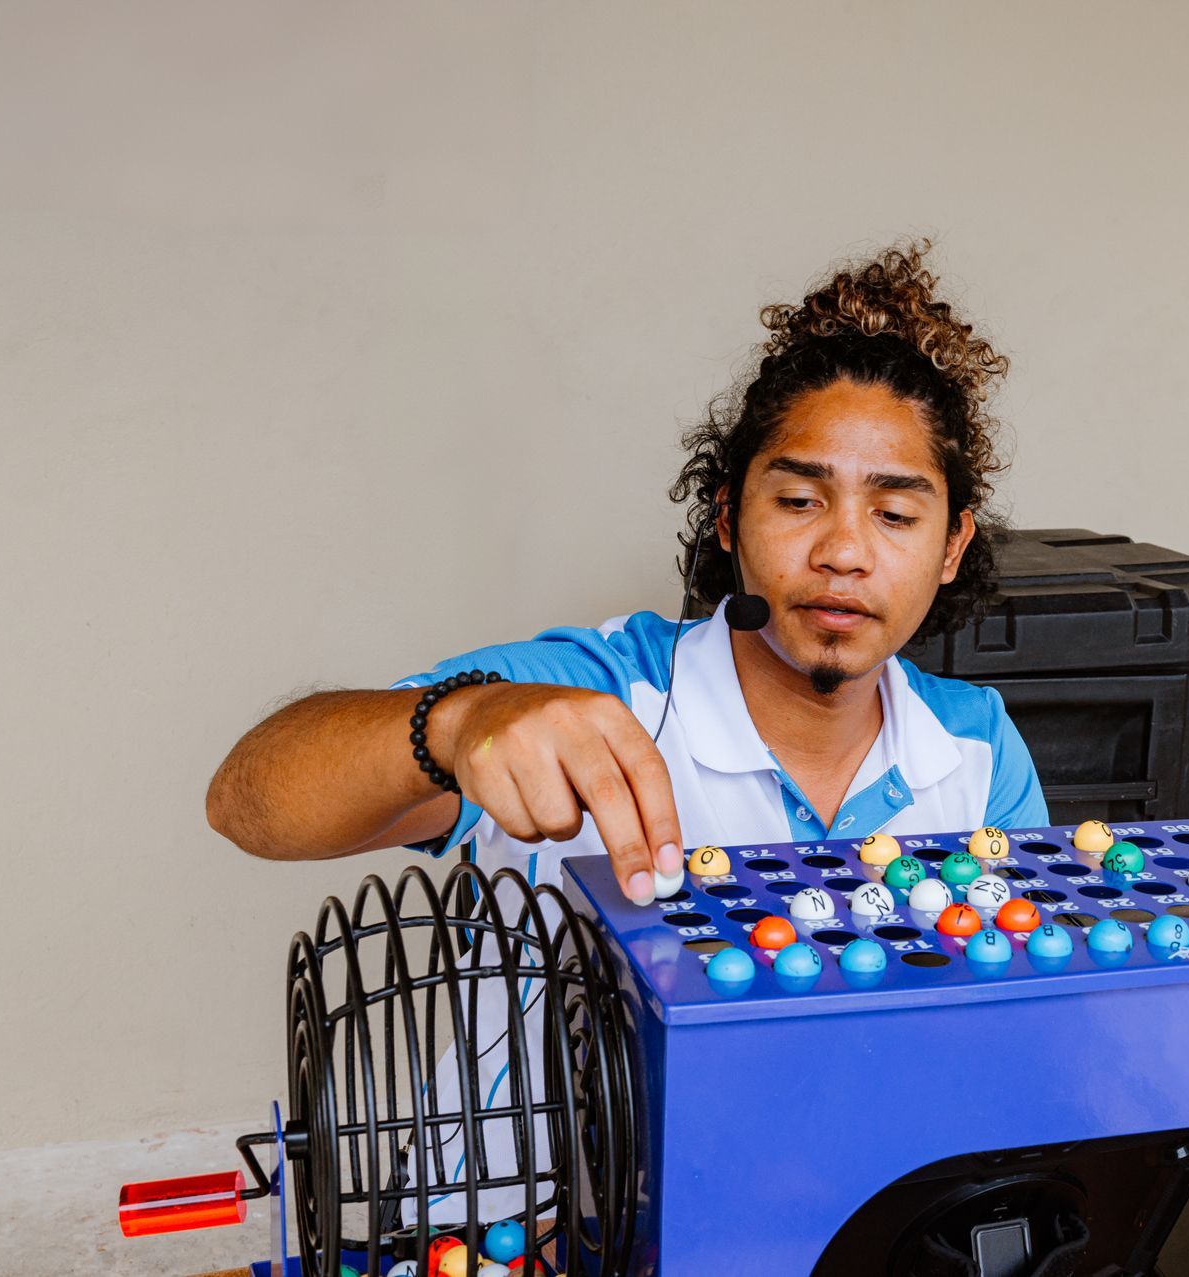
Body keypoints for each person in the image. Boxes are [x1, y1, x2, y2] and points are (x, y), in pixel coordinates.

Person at [204, 241, 1048, 1226]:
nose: (844, 551)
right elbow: (246, 801)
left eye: (896, 512)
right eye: (799, 499)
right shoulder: (606, 689)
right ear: (729, 517)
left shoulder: (977, 748)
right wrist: (460, 722)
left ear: (952, 546)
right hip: (515, 1230)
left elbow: (1006, 1047)